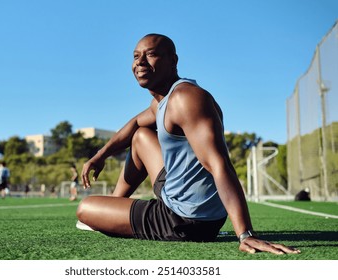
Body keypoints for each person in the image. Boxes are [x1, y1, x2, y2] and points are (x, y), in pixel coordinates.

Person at [77, 34, 300, 255]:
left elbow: (218, 164)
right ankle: (114, 208)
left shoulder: (185, 99)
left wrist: (245, 234)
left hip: (185, 219)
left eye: (151, 55)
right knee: (141, 136)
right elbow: (135, 123)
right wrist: (101, 155)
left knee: (85, 208)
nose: (140, 62)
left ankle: (108, 215)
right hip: (177, 194)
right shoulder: (164, 100)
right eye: (136, 56)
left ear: (173, 61)